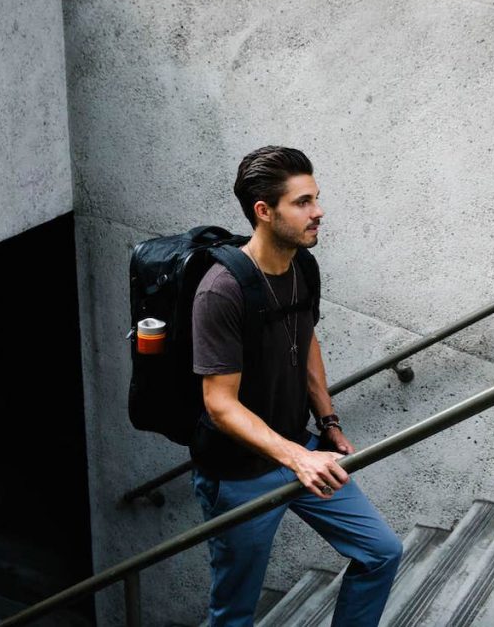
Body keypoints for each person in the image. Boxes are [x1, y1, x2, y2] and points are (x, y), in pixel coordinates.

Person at [190, 146, 403, 626]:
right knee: (234, 613)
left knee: (381, 552)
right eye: (303, 202)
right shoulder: (220, 291)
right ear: (264, 212)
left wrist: (326, 420)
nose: (318, 211)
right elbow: (219, 405)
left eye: (316, 198)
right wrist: (297, 457)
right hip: (240, 474)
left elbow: (304, 340)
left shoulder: (303, 265)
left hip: (301, 448)